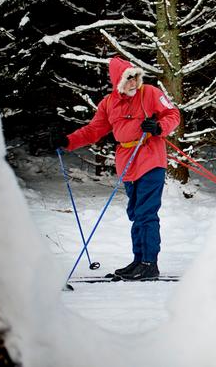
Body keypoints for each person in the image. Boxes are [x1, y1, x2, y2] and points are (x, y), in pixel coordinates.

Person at [52, 56, 180, 280]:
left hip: (150, 157)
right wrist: (67, 141)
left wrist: (159, 126)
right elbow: (93, 130)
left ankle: (150, 263)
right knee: (135, 214)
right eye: (128, 78)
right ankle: (138, 260)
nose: (134, 82)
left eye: (136, 77)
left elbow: (173, 114)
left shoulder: (149, 93)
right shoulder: (109, 103)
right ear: (118, 81)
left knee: (146, 213)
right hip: (127, 163)